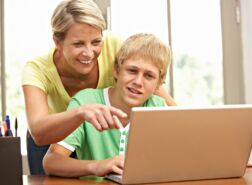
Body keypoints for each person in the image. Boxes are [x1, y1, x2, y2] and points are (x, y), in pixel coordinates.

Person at [22, 0, 176, 174]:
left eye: (96, 42)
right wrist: (81, 113)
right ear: (57, 41)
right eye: (78, 44)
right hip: (51, 133)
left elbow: (147, 69)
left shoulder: (115, 45)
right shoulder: (37, 69)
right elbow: (39, 134)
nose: (89, 52)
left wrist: (179, 117)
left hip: (95, 133)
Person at [43, 33, 171, 177]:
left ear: (158, 84)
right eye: (132, 71)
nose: (138, 82)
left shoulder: (159, 108)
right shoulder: (86, 102)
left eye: (148, 76)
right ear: (116, 70)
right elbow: (51, 162)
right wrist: (96, 166)